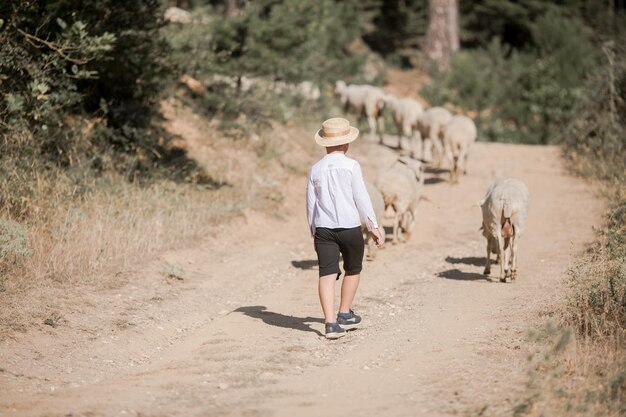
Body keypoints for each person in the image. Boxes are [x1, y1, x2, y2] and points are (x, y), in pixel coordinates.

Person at [306, 117, 384, 339]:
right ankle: (344, 313)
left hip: (323, 229)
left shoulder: (315, 169)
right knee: (353, 268)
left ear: (325, 143)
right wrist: (373, 226)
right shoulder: (351, 166)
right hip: (349, 227)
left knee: (326, 274)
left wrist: (314, 231)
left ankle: (330, 324)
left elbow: (311, 204)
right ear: (347, 144)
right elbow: (362, 198)